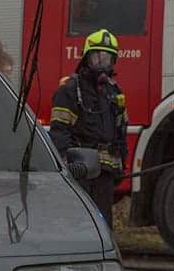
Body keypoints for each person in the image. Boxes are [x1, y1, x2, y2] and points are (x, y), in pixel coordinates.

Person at [49, 28, 128, 226]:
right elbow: (59, 131)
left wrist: (121, 165)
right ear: (86, 58)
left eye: (107, 58)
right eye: (97, 57)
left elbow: (120, 131)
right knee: (80, 220)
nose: (102, 63)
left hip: (105, 171)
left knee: (104, 223)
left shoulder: (113, 92)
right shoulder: (70, 90)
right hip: (81, 169)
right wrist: (68, 164)